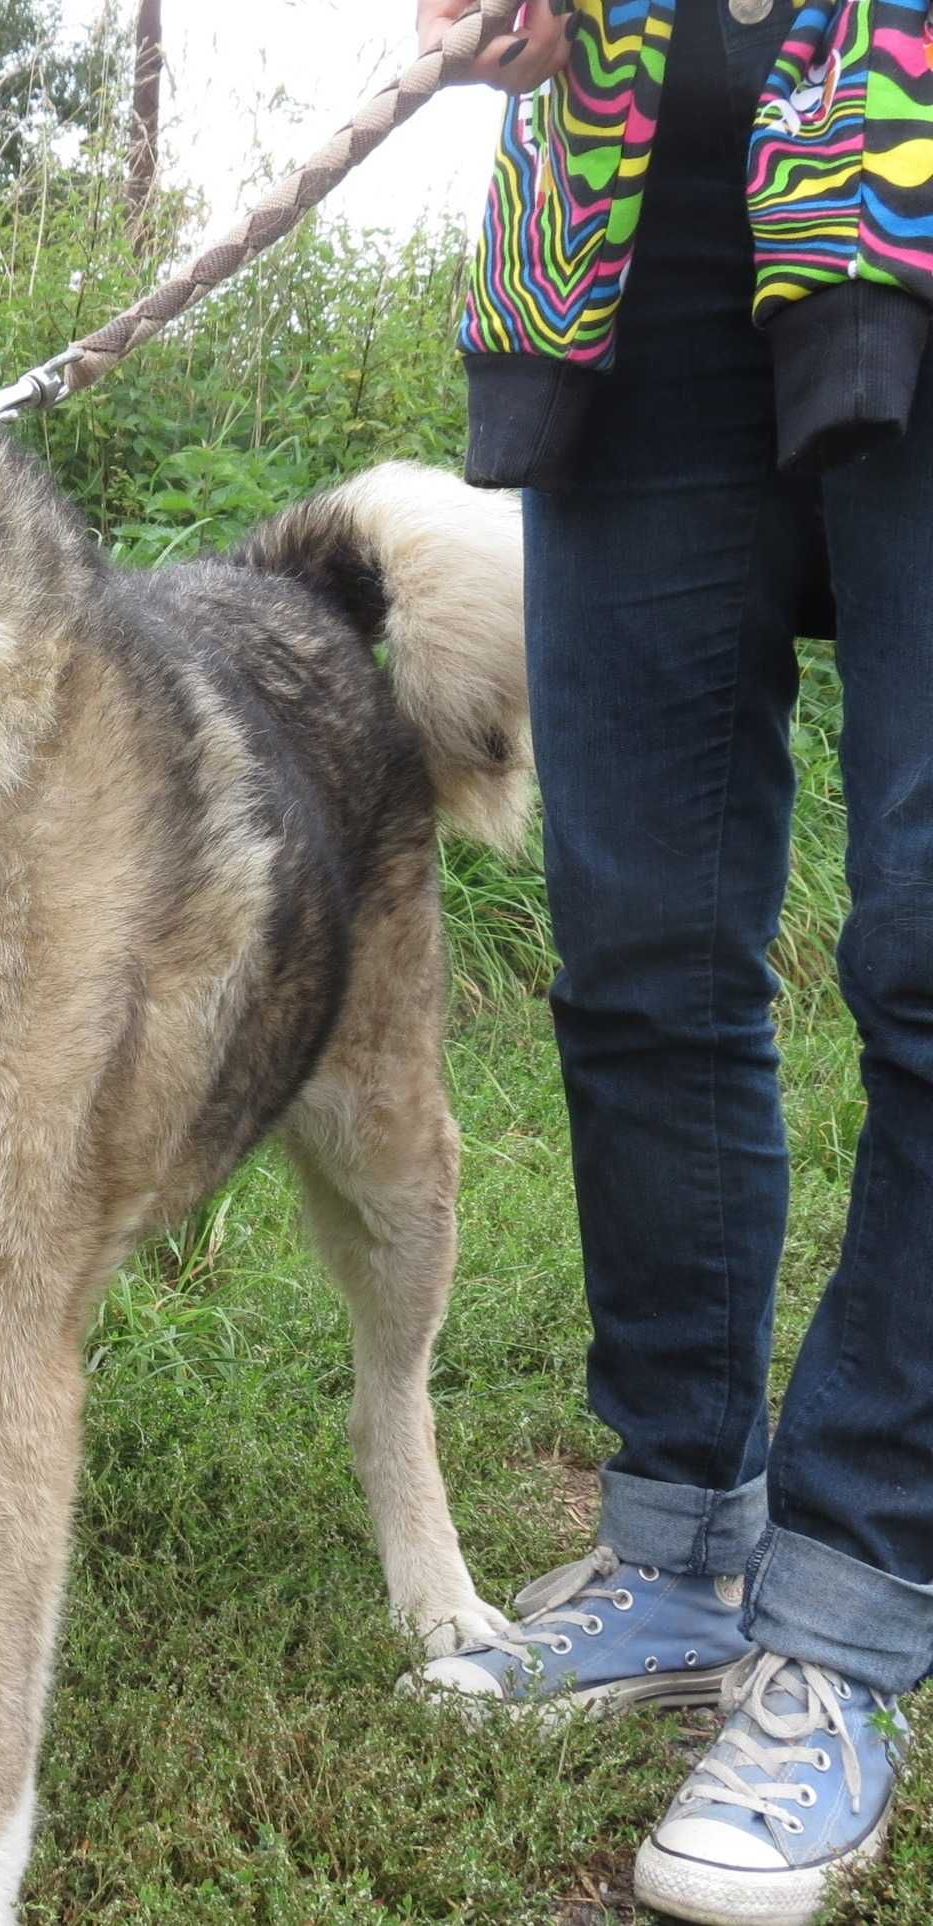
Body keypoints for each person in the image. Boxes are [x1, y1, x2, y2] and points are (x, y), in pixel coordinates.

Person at [404, 0, 933, 1919]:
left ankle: (853, 1609)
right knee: (632, 933)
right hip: (632, 191)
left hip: (913, 131)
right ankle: (678, 1542)